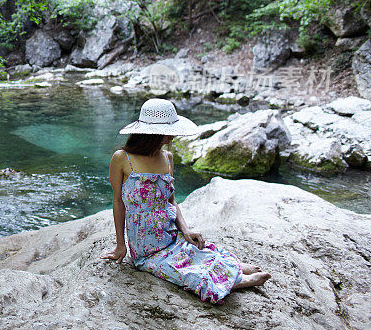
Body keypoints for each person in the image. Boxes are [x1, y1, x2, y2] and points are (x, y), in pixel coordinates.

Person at [102, 98, 270, 304]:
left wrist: (186, 229)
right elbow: (118, 202)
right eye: (171, 129)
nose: (175, 134)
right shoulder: (122, 158)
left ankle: (230, 266)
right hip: (145, 246)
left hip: (170, 233)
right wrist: (121, 245)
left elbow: (171, 202)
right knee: (186, 273)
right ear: (154, 133)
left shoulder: (168, 158)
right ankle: (240, 280)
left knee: (193, 249)